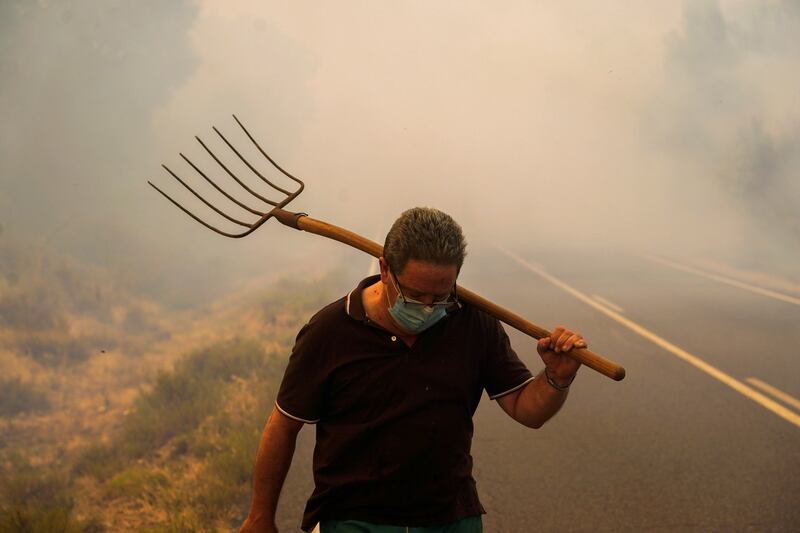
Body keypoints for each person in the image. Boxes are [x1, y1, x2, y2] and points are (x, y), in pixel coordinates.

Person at [239, 207, 587, 533]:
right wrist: (260, 516)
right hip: (352, 518)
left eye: (442, 295)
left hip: (451, 518)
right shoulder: (331, 330)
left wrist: (558, 377)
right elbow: (284, 425)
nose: (429, 307)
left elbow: (527, 409)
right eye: (416, 295)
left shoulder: (474, 323)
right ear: (385, 269)